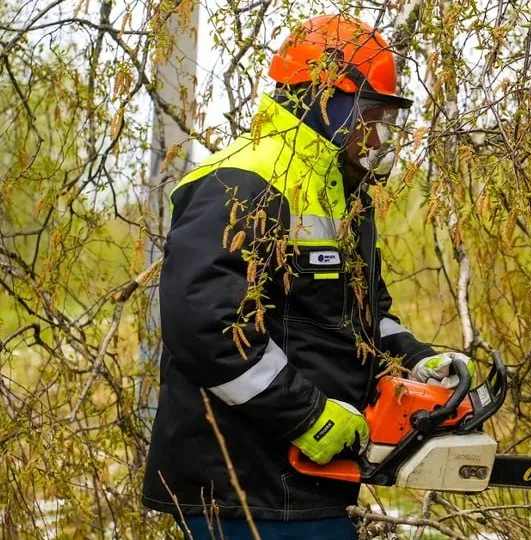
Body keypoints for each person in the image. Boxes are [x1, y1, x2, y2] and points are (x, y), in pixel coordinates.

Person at [142, 14, 473, 539]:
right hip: (242, 490)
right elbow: (207, 329)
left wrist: (415, 359)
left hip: (308, 486)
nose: (379, 135)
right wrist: (308, 416)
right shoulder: (242, 182)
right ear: (330, 102)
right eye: (373, 114)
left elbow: (360, 316)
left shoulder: (342, 193)